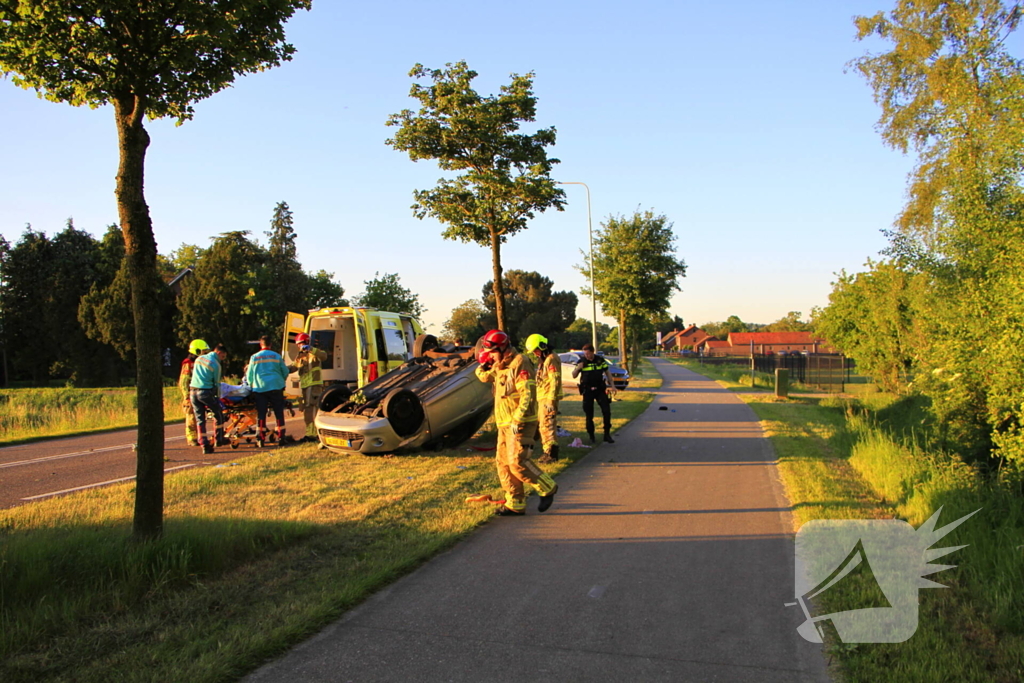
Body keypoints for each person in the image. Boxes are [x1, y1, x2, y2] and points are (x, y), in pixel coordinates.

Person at [474, 329, 558, 515]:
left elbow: (527, 393)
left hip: (520, 423)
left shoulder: (520, 362)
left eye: (493, 352)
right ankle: (515, 503)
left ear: (503, 348)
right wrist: (483, 365)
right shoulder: (499, 365)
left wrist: (518, 419)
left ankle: (547, 487)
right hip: (504, 423)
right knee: (503, 464)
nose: (492, 356)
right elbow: (484, 377)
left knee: (517, 462)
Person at [246, 335, 293, 447]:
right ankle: (281, 437)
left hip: (260, 388)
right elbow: (285, 371)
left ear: (260, 344)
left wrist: (251, 385)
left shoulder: (254, 357)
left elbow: (249, 376)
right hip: (276, 387)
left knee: (261, 414)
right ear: (270, 344)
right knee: (278, 413)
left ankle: (260, 439)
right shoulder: (276, 356)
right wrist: (281, 380)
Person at [525, 333, 562, 463]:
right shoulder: (545, 359)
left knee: (547, 425)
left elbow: (554, 381)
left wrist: (551, 401)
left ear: (542, 346)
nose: (535, 353)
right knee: (543, 426)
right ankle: (548, 452)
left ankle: (551, 454)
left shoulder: (551, 359)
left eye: (536, 350)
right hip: (542, 397)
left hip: (547, 398)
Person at [572, 343, 617, 444]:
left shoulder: (599, 360)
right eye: (585, 354)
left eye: (588, 354)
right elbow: (574, 375)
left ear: (592, 352)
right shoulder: (582, 361)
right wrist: (579, 368)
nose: (587, 356)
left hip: (599, 389)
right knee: (589, 414)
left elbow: (607, 372)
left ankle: (607, 434)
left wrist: (612, 385)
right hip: (587, 391)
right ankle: (591, 436)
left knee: (606, 411)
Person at [190, 343, 229, 454]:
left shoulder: (199, 358)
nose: (222, 359)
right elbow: (216, 384)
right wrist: (219, 398)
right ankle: (219, 439)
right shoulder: (216, 365)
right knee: (219, 414)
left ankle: (204, 443)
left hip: (193, 391)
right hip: (205, 392)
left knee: (200, 419)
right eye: (223, 357)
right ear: (219, 353)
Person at [289, 332, 327, 442]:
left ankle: (313, 434)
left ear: (306, 342)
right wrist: (280, 368)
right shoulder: (301, 356)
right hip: (305, 386)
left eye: (300, 344)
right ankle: (309, 433)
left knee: (311, 408)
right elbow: (293, 367)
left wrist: (311, 349)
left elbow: (324, 356)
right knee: (307, 409)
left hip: (314, 385)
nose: (298, 346)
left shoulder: (315, 353)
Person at [179, 339, 208, 447]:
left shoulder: (198, 363)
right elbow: (183, 382)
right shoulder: (188, 364)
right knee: (191, 416)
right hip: (191, 393)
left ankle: (200, 436)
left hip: (199, 392)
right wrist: (186, 396)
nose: (205, 354)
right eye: (203, 352)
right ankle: (192, 438)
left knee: (200, 416)